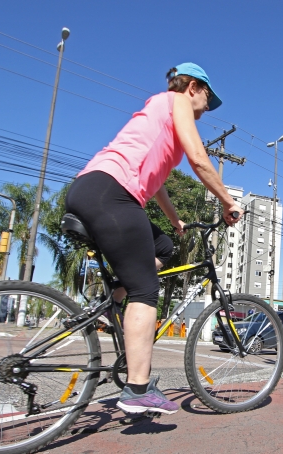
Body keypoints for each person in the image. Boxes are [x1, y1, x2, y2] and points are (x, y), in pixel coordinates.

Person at [65, 63, 243, 416]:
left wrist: (174, 218)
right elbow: (199, 159)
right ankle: (137, 389)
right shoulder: (176, 102)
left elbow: (156, 179)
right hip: (112, 193)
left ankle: (113, 297)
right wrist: (228, 201)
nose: (208, 107)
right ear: (192, 87)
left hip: (95, 189)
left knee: (163, 247)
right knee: (146, 291)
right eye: (208, 97)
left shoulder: (160, 115)